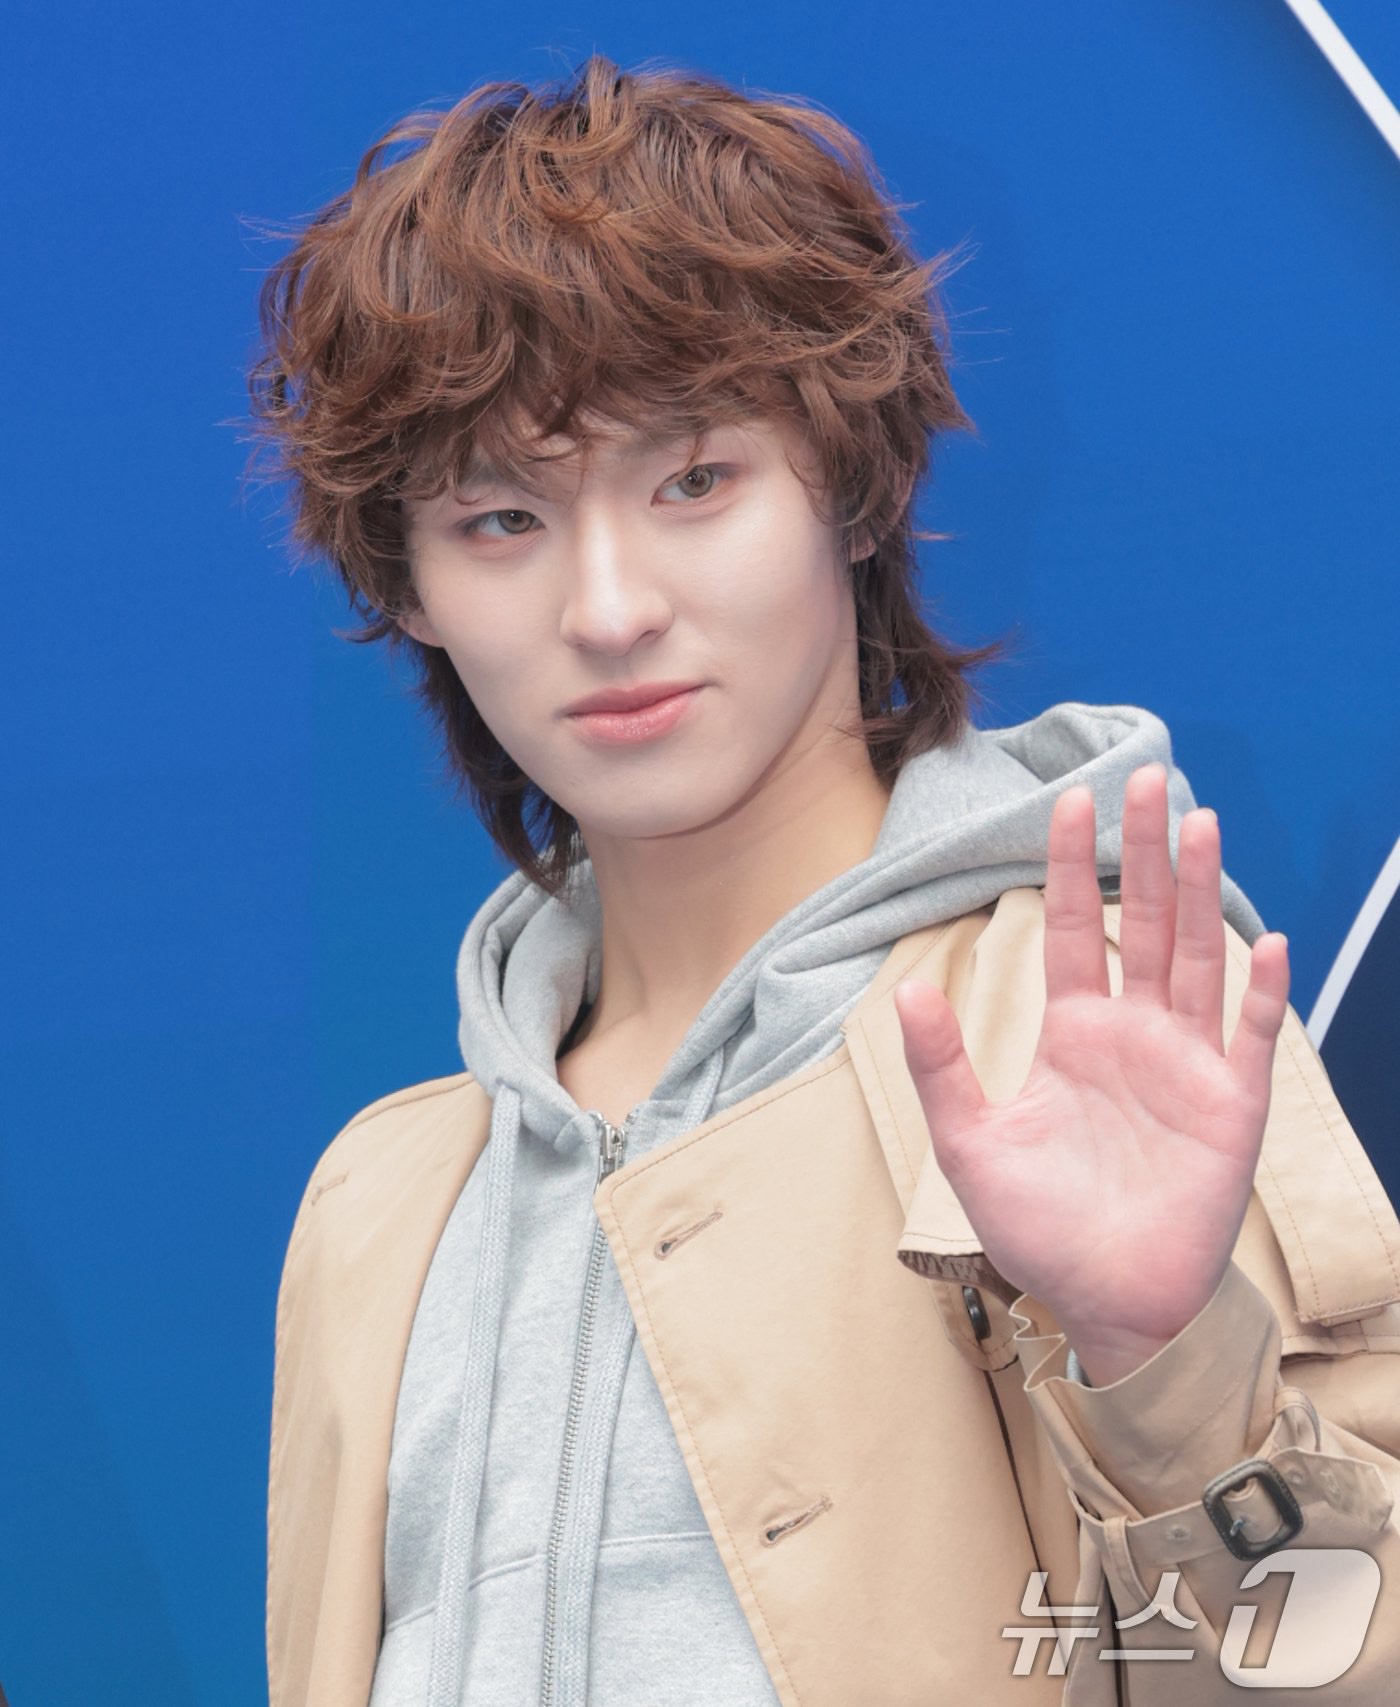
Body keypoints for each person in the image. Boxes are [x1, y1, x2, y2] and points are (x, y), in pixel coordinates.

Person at [246, 53, 1400, 1707]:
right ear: (410, 586)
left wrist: (1167, 1367)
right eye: (500, 519)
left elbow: (1352, 1664)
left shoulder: (1085, 1016)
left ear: (851, 490)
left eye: (694, 482)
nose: (610, 608)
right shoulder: (379, 1202)